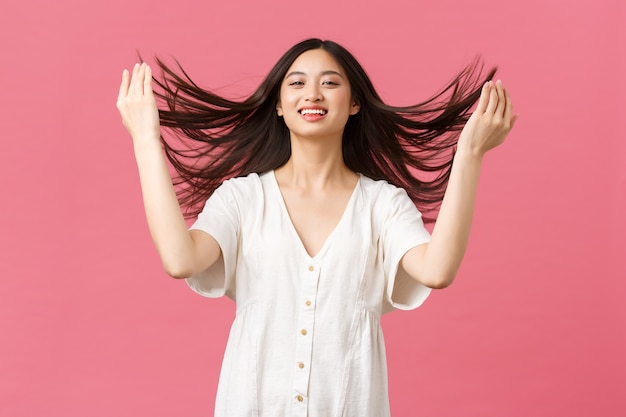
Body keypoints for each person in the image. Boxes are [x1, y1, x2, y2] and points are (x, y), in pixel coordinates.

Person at [116, 38, 517, 417]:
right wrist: (146, 140)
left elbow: (437, 270)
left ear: (355, 103)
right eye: (297, 83)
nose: (312, 94)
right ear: (278, 104)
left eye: (329, 82)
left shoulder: (382, 204)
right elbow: (179, 259)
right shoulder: (242, 199)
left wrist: (470, 153)